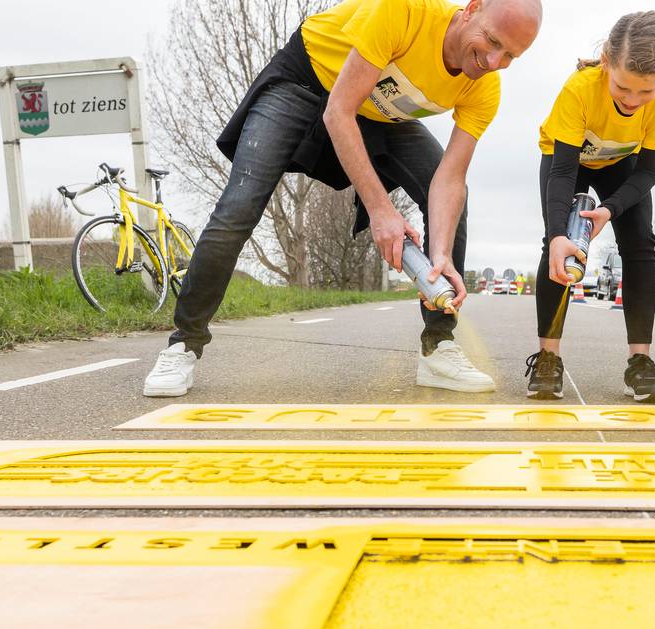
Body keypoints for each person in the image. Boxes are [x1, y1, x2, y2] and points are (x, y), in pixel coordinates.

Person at [142, 0, 542, 397]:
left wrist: (440, 257)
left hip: (377, 114)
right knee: (239, 207)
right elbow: (338, 112)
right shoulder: (404, 12)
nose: (493, 60)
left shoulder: (484, 87)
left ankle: (438, 347)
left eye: (511, 55)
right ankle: (183, 344)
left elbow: (449, 179)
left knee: (456, 202)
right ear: (471, 9)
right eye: (491, 41)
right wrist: (381, 209)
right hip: (308, 82)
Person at [525, 11, 655, 403]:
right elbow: (562, 172)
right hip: (568, 161)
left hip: (622, 165)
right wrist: (561, 234)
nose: (632, 101)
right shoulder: (580, 88)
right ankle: (548, 358)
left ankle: (640, 363)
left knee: (641, 246)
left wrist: (609, 210)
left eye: (644, 92)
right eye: (622, 89)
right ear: (608, 63)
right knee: (558, 246)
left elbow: (647, 173)